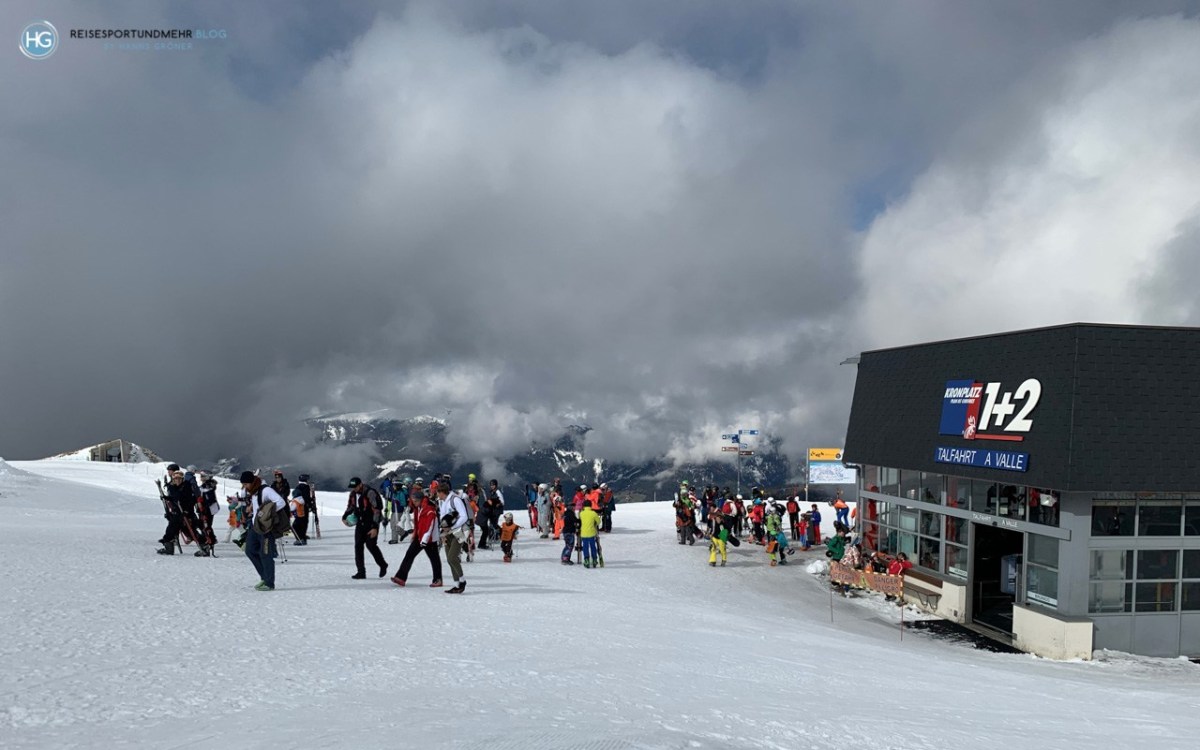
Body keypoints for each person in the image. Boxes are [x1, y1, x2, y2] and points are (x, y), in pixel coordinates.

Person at [240, 470, 286, 591]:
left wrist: (267, 512)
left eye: (245, 484)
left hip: (266, 528)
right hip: (255, 527)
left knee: (266, 555)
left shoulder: (265, 490)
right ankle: (264, 577)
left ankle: (269, 583)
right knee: (249, 550)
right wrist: (252, 508)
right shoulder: (254, 492)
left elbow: (281, 502)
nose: (245, 487)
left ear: (251, 482)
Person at [392, 485, 443, 588]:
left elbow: (430, 526)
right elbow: (418, 523)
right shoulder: (418, 507)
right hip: (419, 536)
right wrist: (415, 534)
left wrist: (424, 540)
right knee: (409, 554)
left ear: (420, 500)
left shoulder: (429, 509)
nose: (413, 503)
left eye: (414, 501)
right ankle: (401, 577)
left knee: (434, 559)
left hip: (429, 539)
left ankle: (438, 580)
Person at [343, 477, 388, 580]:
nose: (354, 489)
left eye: (355, 487)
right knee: (358, 546)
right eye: (352, 487)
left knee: (371, 545)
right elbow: (350, 506)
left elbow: (377, 509)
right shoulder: (353, 494)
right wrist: (345, 516)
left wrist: (374, 527)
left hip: (371, 522)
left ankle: (383, 564)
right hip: (360, 522)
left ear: (360, 484)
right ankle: (361, 572)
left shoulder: (370, 492)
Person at [438, 483, 470, 593]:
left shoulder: (455, 500)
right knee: (449, 559)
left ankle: (462, 581)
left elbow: (464, 516)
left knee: (452, 557)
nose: (437, 495)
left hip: (459, 532)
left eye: (438, 493)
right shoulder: (444, 502)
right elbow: (443, 518)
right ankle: (456, 585)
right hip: (448, 533)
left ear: (442, 492)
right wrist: (443, 532)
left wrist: (451, 527)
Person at [194, 471, 220, 556]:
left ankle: (207, 545)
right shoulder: (205, 486)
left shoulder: (208, 487)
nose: (201, 478)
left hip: (207, 510)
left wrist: (203, 505)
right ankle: (209, 542)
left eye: (203, 476)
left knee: (205, 526)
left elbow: (210, 500)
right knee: (204, 525)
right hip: (205, 509)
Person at [579, 502, 601, 568]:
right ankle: (594, 560)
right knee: (593, 547)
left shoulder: (581, 513)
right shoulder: (593, 513)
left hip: (583, 533)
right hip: (592, 533)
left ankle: (586, 560)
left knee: (585, 547)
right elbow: (599, 521)